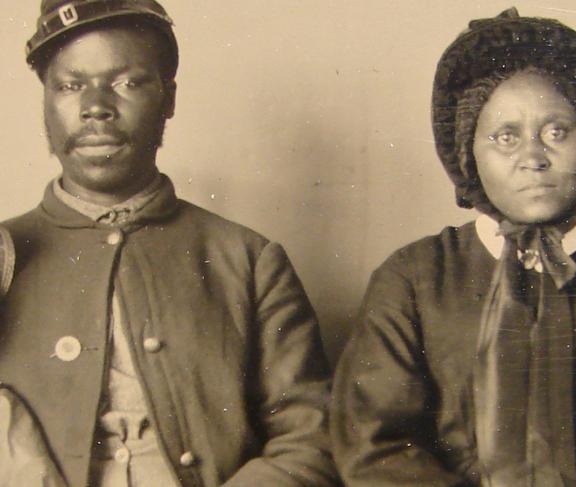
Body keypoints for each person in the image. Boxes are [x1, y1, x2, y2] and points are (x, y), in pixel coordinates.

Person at [0, 1, 338, 486]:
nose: (96, 106)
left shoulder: (247, 260)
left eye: (127, 82)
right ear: (46, 102)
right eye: (71, 85)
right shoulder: (4, 251)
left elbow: (310, 439)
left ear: (168, 98)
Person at [331, 8, 576, 487]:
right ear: (468, 153)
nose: (534, 158)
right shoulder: (414, 278)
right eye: (505, 137)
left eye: (557, 132)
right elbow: (376, 446)